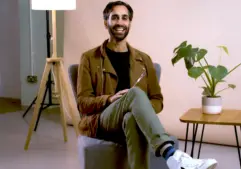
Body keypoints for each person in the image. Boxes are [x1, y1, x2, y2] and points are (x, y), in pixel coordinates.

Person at [76, 1, 218, 169]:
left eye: (125, 18)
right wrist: (109, 99)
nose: (120, 23)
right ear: (105, 22)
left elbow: (157, 100)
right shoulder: (89, 58)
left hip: (129, 120)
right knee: (135, 93)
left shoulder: (144, 60)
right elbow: (82, 103)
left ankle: (172, 159)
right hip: (102, 120)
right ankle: (171, 155)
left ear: (130, 22)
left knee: (131, 118)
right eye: (114, 18)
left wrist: (138, 108)